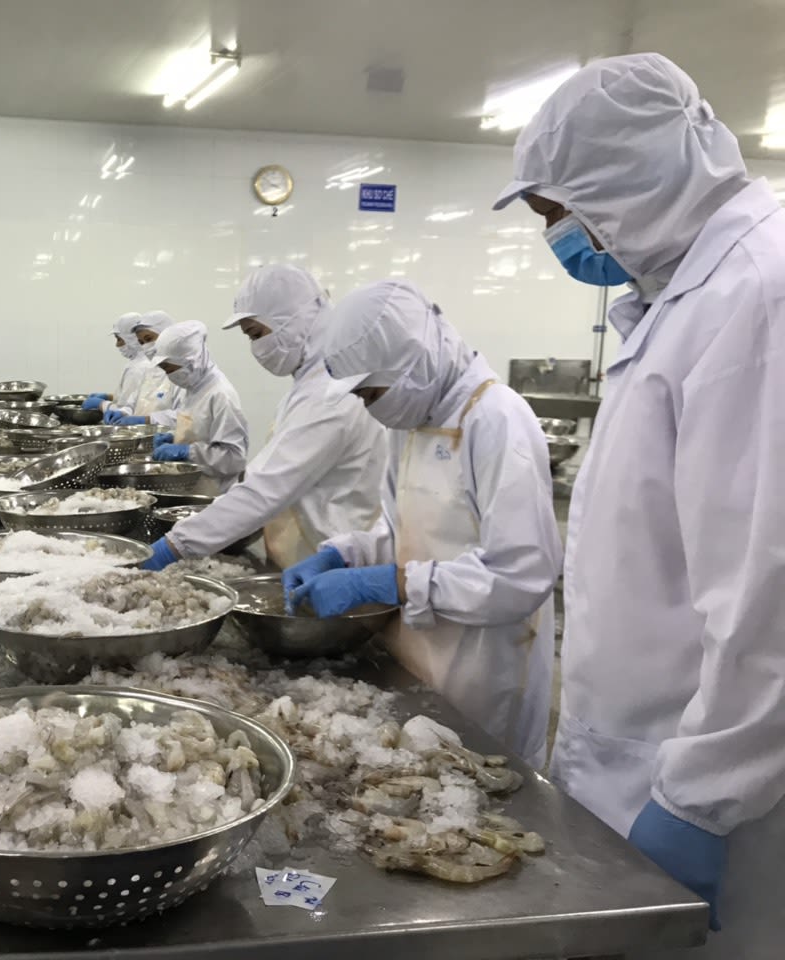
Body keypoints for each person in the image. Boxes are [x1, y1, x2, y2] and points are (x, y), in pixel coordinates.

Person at [494, 54, 785, 953]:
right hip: (640, 758)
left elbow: (768, 588)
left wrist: (702, 799)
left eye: (557, 212)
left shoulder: (759, 294)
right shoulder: (681, 296)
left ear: (626, 182)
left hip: (716, 788)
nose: (559, 238)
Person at [282, 281, 559, 771]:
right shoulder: (410, 422)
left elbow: (520, 576)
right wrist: (345, 554)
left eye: (372, 392)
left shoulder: (496, 419)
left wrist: (394, 583)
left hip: (486, 666)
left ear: (412, 363)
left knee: (482, 783)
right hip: (420, 650)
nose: (369, 406)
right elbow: (399, 531)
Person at [142, 265, 386, 571]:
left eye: (256, 334)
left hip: (330, 563)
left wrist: (173, 546)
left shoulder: (331, 393)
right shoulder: (308, 385)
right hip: (303, 554)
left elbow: (265, 489)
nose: (256, 349)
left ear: (295, 319)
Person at [146, 320, 249, 496]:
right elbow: (201, 431)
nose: (169, 375)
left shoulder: (220, 394)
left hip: (214, 493)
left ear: (191, 361)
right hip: (192, 488)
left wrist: (187, 451)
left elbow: (234, 458)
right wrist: (175, 438)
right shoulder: (193, 389)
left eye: (170, 369)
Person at [104, 310, 180, 426]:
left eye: (149, 339)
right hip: (144, 434)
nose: (146, 346)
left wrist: (147, 420)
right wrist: (123, 412)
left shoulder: (183, 372)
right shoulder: (150, 369)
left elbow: (188, 416)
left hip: (167, 435)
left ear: (167, 335)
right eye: (141, 342)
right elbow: (133, 403)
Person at [83, 312, 150, 416]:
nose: (117, 345)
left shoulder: (139, 368)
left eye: (119, 339)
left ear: (131, 339)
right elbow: (132, 397)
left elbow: (128, 411)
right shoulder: (137, 362)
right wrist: (109, 397)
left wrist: (101, 404)